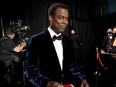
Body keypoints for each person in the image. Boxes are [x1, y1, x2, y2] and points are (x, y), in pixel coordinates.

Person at [23, 3, 89, 87]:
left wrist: (81, 79)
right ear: (51, 18)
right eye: (61, 17)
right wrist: (46, 83)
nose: (65, 22)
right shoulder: (36, 40)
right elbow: (28, 69)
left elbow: (72, 66)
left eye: (66, 18)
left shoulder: (68, 41)